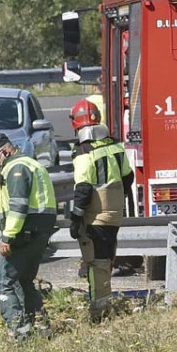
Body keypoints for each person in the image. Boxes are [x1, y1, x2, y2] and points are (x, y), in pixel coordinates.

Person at [0, 133, 56, 339]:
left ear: (5, 151)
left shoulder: (16, 168)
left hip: (24, 231)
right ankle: (41, 326)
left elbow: (18, 206)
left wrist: (7, 237)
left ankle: (22, 334)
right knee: (23, 280)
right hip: (37, 230)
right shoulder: (29, 164)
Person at [68, 99, 134, 321]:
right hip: (114, 215)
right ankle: (104, 306)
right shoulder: (115, 145)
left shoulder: (83, 151)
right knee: (106, 259)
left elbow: (84, 188)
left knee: (97, 263)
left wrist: (76, 217)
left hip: (95, 217)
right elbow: (128, 177)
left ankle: (99, 313)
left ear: (77, 125)